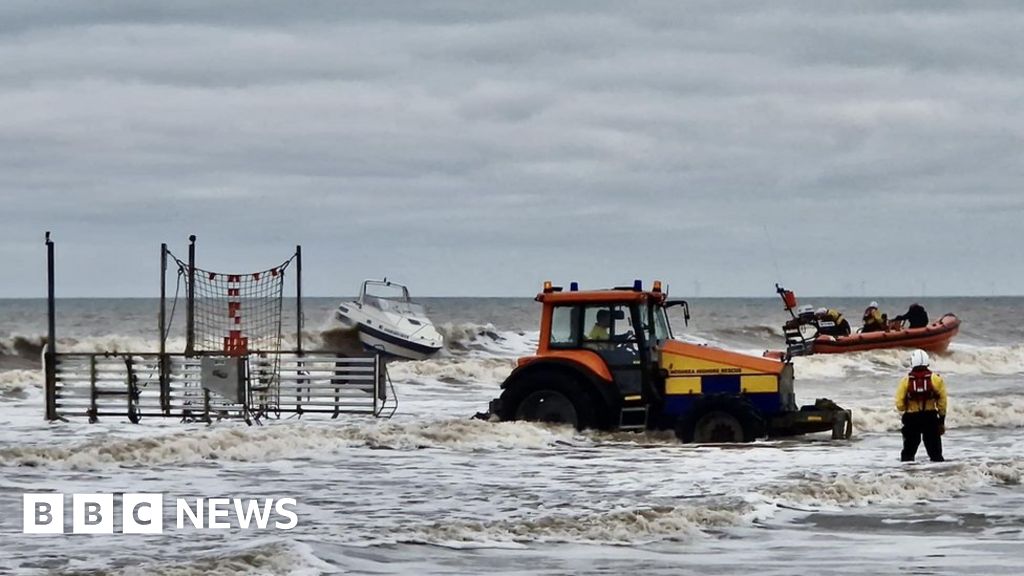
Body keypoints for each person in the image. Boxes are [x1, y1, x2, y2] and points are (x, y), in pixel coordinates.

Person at [894, 349, 947, 462]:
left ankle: (906, 476)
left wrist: (907, 408)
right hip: (930, 418)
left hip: (911, 419)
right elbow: (942, 402)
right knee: (935, 454)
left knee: (908, 453)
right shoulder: (936, 379)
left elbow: (899, 404)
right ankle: (940, 476)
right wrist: (941, 420)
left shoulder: (906, 380)